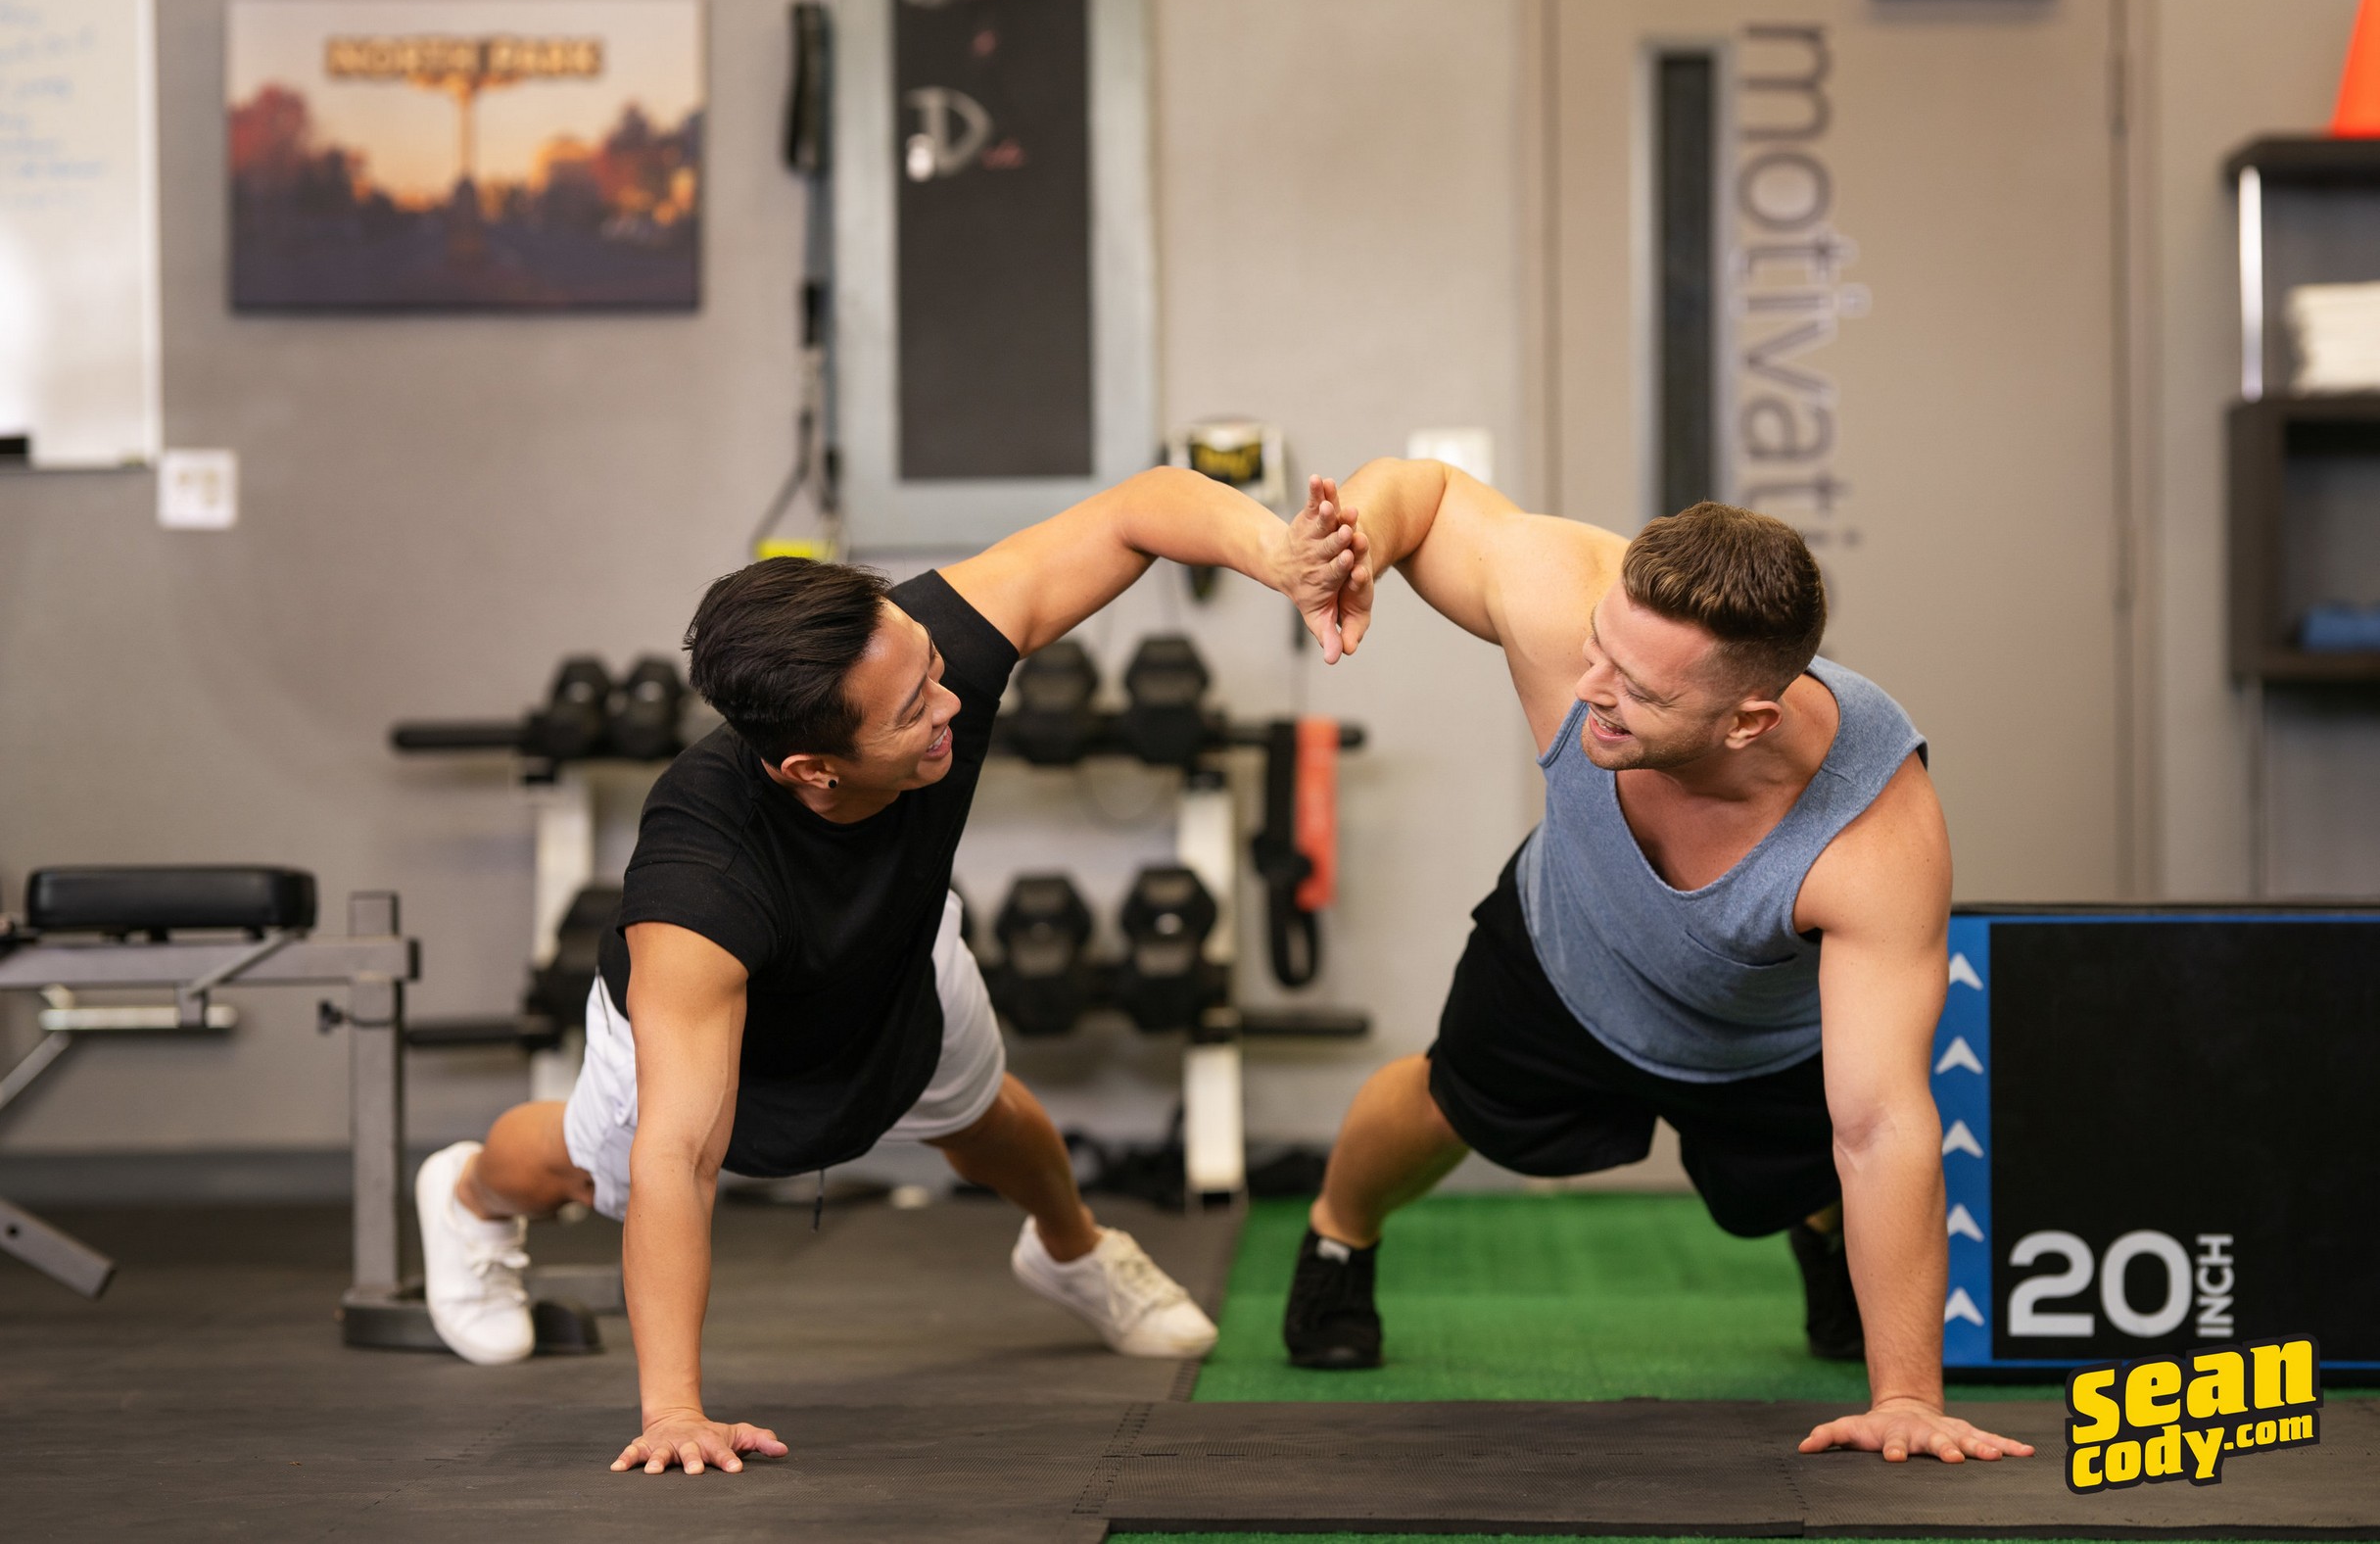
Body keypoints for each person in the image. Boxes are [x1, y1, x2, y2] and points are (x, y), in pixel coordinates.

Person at [411, 469, 1363, 1476]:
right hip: (720, 1030)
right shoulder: (699, 887)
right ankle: (469, 1198)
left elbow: (1138, 511)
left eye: (937, 670)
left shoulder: (908, 651)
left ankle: (1075, 1251)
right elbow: (680, 1160)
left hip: (896, 946)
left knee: (988, 1120)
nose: (953, 702)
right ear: (812, 770)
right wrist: (676, 1411)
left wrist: (1282, 558)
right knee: (576, 1167)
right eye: (915, 709)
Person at [1280, 460, 2033, 1467]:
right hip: (1567, 949)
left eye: (1636, 689)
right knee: (1440, 1104)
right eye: (1600, 648)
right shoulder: (1562, 605)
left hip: (1757, 1034)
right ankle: (1339, 1234)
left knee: (1821, 1160)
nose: (1589, 689)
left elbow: (1881, 1124)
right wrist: (1344, 545)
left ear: (1748, 721)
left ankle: (1818, 1237)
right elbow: (1428, 497)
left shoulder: (1871, 834)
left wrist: (1906, 1398)